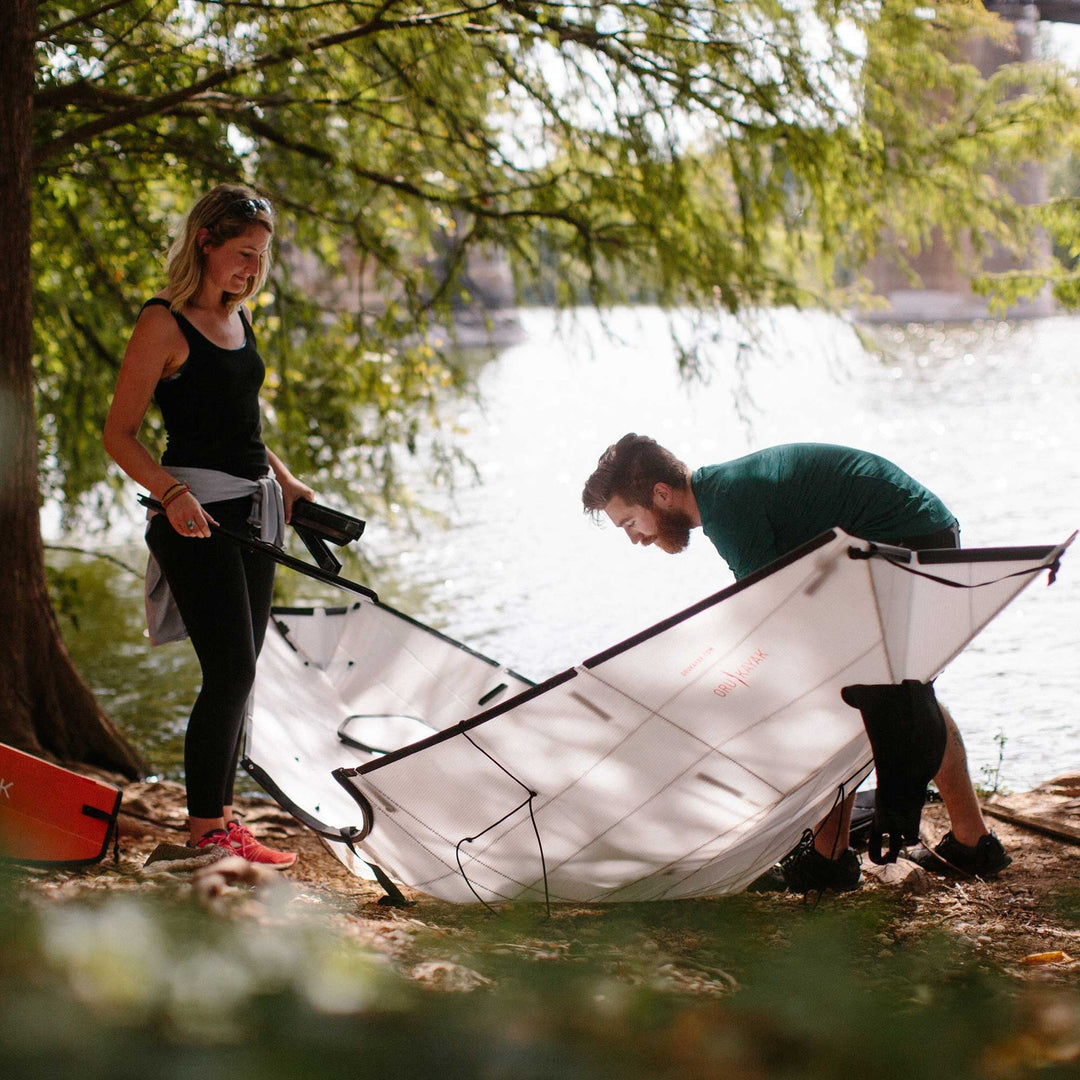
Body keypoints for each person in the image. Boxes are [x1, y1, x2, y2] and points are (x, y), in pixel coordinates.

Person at [581, 434, 1011, 892]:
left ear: (661, 495)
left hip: (908, 544)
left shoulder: (729, 510)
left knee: (855, 695)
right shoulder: (725, 496)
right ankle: (968, 842)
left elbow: (774, 623)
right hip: (913, 538)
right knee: (890, 691)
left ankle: (831, 858)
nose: (635, 540)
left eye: (630, 522)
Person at [104, 184, 314, 868]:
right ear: (205, 241)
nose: (251, 271)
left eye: (260, 258)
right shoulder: (163, 322)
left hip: (255, 515)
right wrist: (170, 492)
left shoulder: (237, 318)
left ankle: (221, 821)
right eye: (241, 255)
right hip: (197, 519)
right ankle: (202, 837)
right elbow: (120, 434)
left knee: (243, 671)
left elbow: (239, 424)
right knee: (228, 671)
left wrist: (284, 481)